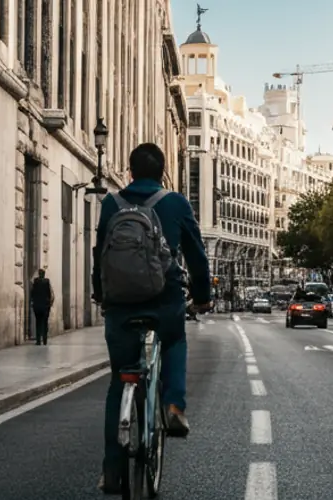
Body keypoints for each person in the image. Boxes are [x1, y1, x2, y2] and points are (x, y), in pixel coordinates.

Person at [91, 143, 211, 493]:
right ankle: (174, 404)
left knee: (119, 378)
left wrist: (101, 294)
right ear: (162, 173)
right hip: (164, 298)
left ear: (129, 172)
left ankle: (112, 468)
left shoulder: (111, 203)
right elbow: (197, 255)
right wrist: (202, 298)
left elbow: (101, 255)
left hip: (121, 303)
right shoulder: (175, 203)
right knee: (174, 339)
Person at [29, 269, 55, 345]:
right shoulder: (47, 281)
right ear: (44, 274)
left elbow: (32, 293)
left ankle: (38, 340)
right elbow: (49, 294)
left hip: (37, 306)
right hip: (45, 306)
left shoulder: (35, 282)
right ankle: (45, 339)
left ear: (39, 274)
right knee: (45, 323)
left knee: (38, 323)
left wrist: (32, 302)